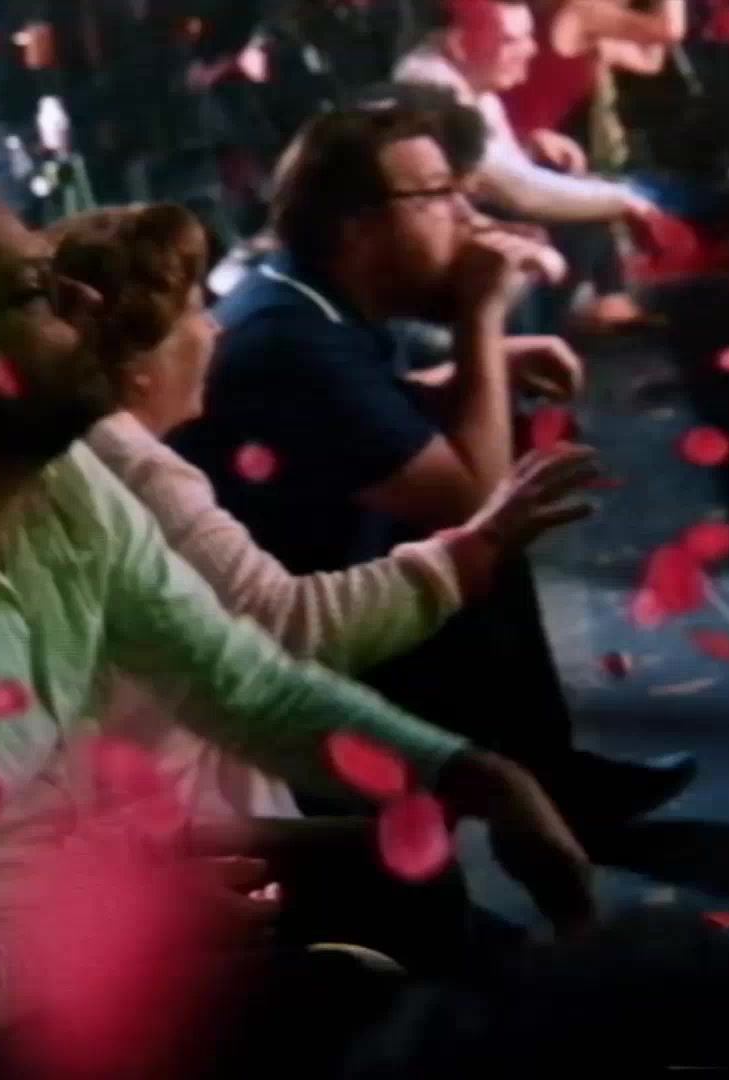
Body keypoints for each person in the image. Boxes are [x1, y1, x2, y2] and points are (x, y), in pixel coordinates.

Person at [0, 186, 601, 1062]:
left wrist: (468, 774)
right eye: (36, 292)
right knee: (358, 1003)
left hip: (72, 883)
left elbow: (239, 679)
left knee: (406, 872)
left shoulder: (57, 473)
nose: (86, 299)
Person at [168, 103, 695, 839]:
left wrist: (466, 371)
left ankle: (545, 774)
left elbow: (366, 415)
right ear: (357, 227)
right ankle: (528, 785)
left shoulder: (305, 299)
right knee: (485, 529)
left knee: (475, 533)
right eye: (436, 196)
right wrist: (482, 316)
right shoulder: (289, 338)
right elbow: (471, 497)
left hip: (328, 584)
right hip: (291, 647)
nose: (465, 216)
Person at [53, 201, 599, 831]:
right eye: (195, 313)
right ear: (137, 371)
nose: (215, 331)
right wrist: (475, 548)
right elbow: (279, 624)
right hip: (175, 825)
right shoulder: (131, 463)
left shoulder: (100, 443)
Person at [395, 0, 669, 330]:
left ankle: (585, 312)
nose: (531, 50)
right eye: (512, 41)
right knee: (573, 218)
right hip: (428, 272)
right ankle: (527, 341)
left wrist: (530, 143)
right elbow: (518, 191)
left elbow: (506, 168)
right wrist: (624, 200)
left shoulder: (474, 83)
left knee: (576, 196)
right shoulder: (431, 88)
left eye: (529, 37)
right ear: (458, 44)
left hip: (471, 224)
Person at [499, 0, 688, 175]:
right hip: (508, 144)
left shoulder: (594, 39)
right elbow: (669, 30)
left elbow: (649, 60)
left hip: (524, 147)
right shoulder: (580, 12)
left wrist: (652, 8)